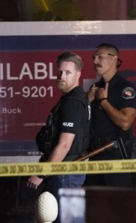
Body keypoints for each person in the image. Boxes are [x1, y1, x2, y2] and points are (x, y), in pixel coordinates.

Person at [27, 52, 90, 216]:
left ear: (78, 74)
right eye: (60, 72)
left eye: (68, 72)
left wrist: (42, 173)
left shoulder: (73, 103)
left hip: (66, 173)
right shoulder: (69, 99)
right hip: (64, 171)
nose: (62, 76)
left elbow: (65, 144)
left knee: (66, 220)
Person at [84, 43, 136, 187]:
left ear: (114, 59)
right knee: (93, 205)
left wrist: (103, 101)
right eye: (93, 58)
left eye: (100, 57)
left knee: (116, 206)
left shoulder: (125, 88)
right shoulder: (94, 88)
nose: (95, 62)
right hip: (94, 154)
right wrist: (86, 102)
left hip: (115, 156)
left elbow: (125, 123)